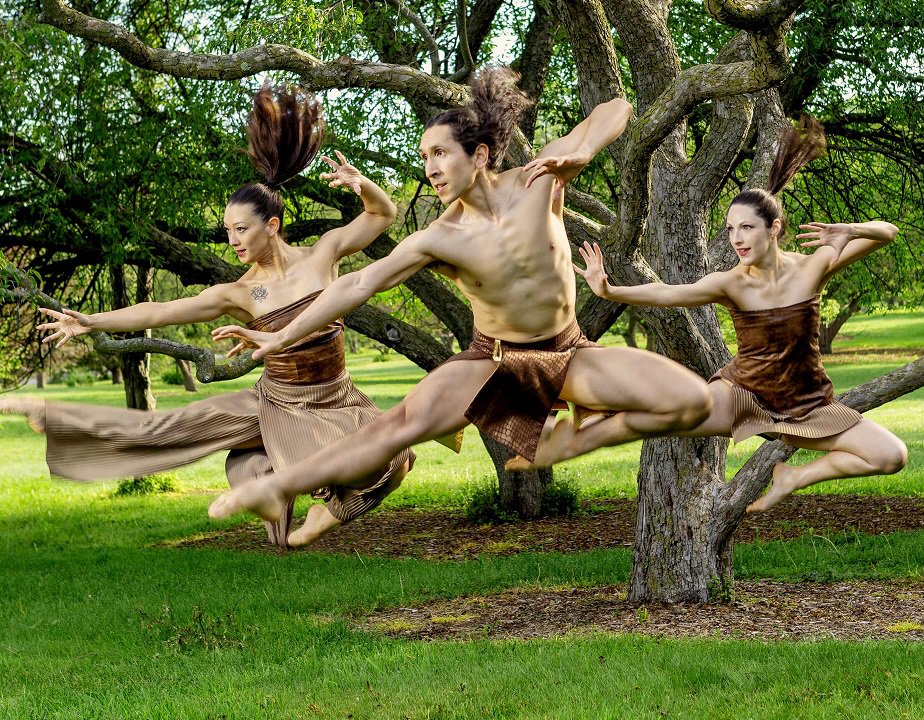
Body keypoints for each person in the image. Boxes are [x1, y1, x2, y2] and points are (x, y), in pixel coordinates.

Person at [206, 66, 713, 524]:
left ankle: (567, 444)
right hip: (490, 360)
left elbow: (616, 108)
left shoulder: (540, 181)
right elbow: (359, 283)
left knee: (691, 401)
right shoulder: (437, 239)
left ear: (481, 155)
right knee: (395, 430)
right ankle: (275, 485)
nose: (429, 167)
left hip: (568, 351)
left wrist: (582, 149)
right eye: (424, 157)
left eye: (440, 153)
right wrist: (282, 336)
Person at [0, 82, 413, 547]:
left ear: (272, 226)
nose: (233, 240)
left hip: (333, 400)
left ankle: (314, 505)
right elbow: (161, 310)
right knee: (168, 429)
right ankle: (54, 417)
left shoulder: (323, 255)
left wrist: (363, 185)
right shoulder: (240, 291)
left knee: (395, 458)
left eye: (242, 229)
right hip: (273, 400)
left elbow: (382, 215)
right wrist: (91, 321)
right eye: (227, 230)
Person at [565, 117, 908, 511]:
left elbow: (889, 232)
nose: (737, 239)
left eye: (746, 227)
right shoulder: (730, 283)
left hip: (809, 402)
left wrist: (849, 229)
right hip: (745, 394)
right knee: (668, 415)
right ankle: (591, 396)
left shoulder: (813, 267)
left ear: (774, 228)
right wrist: (610, 289)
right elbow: (668, 293)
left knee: (891, 455)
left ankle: (793, 476)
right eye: (730, 230)